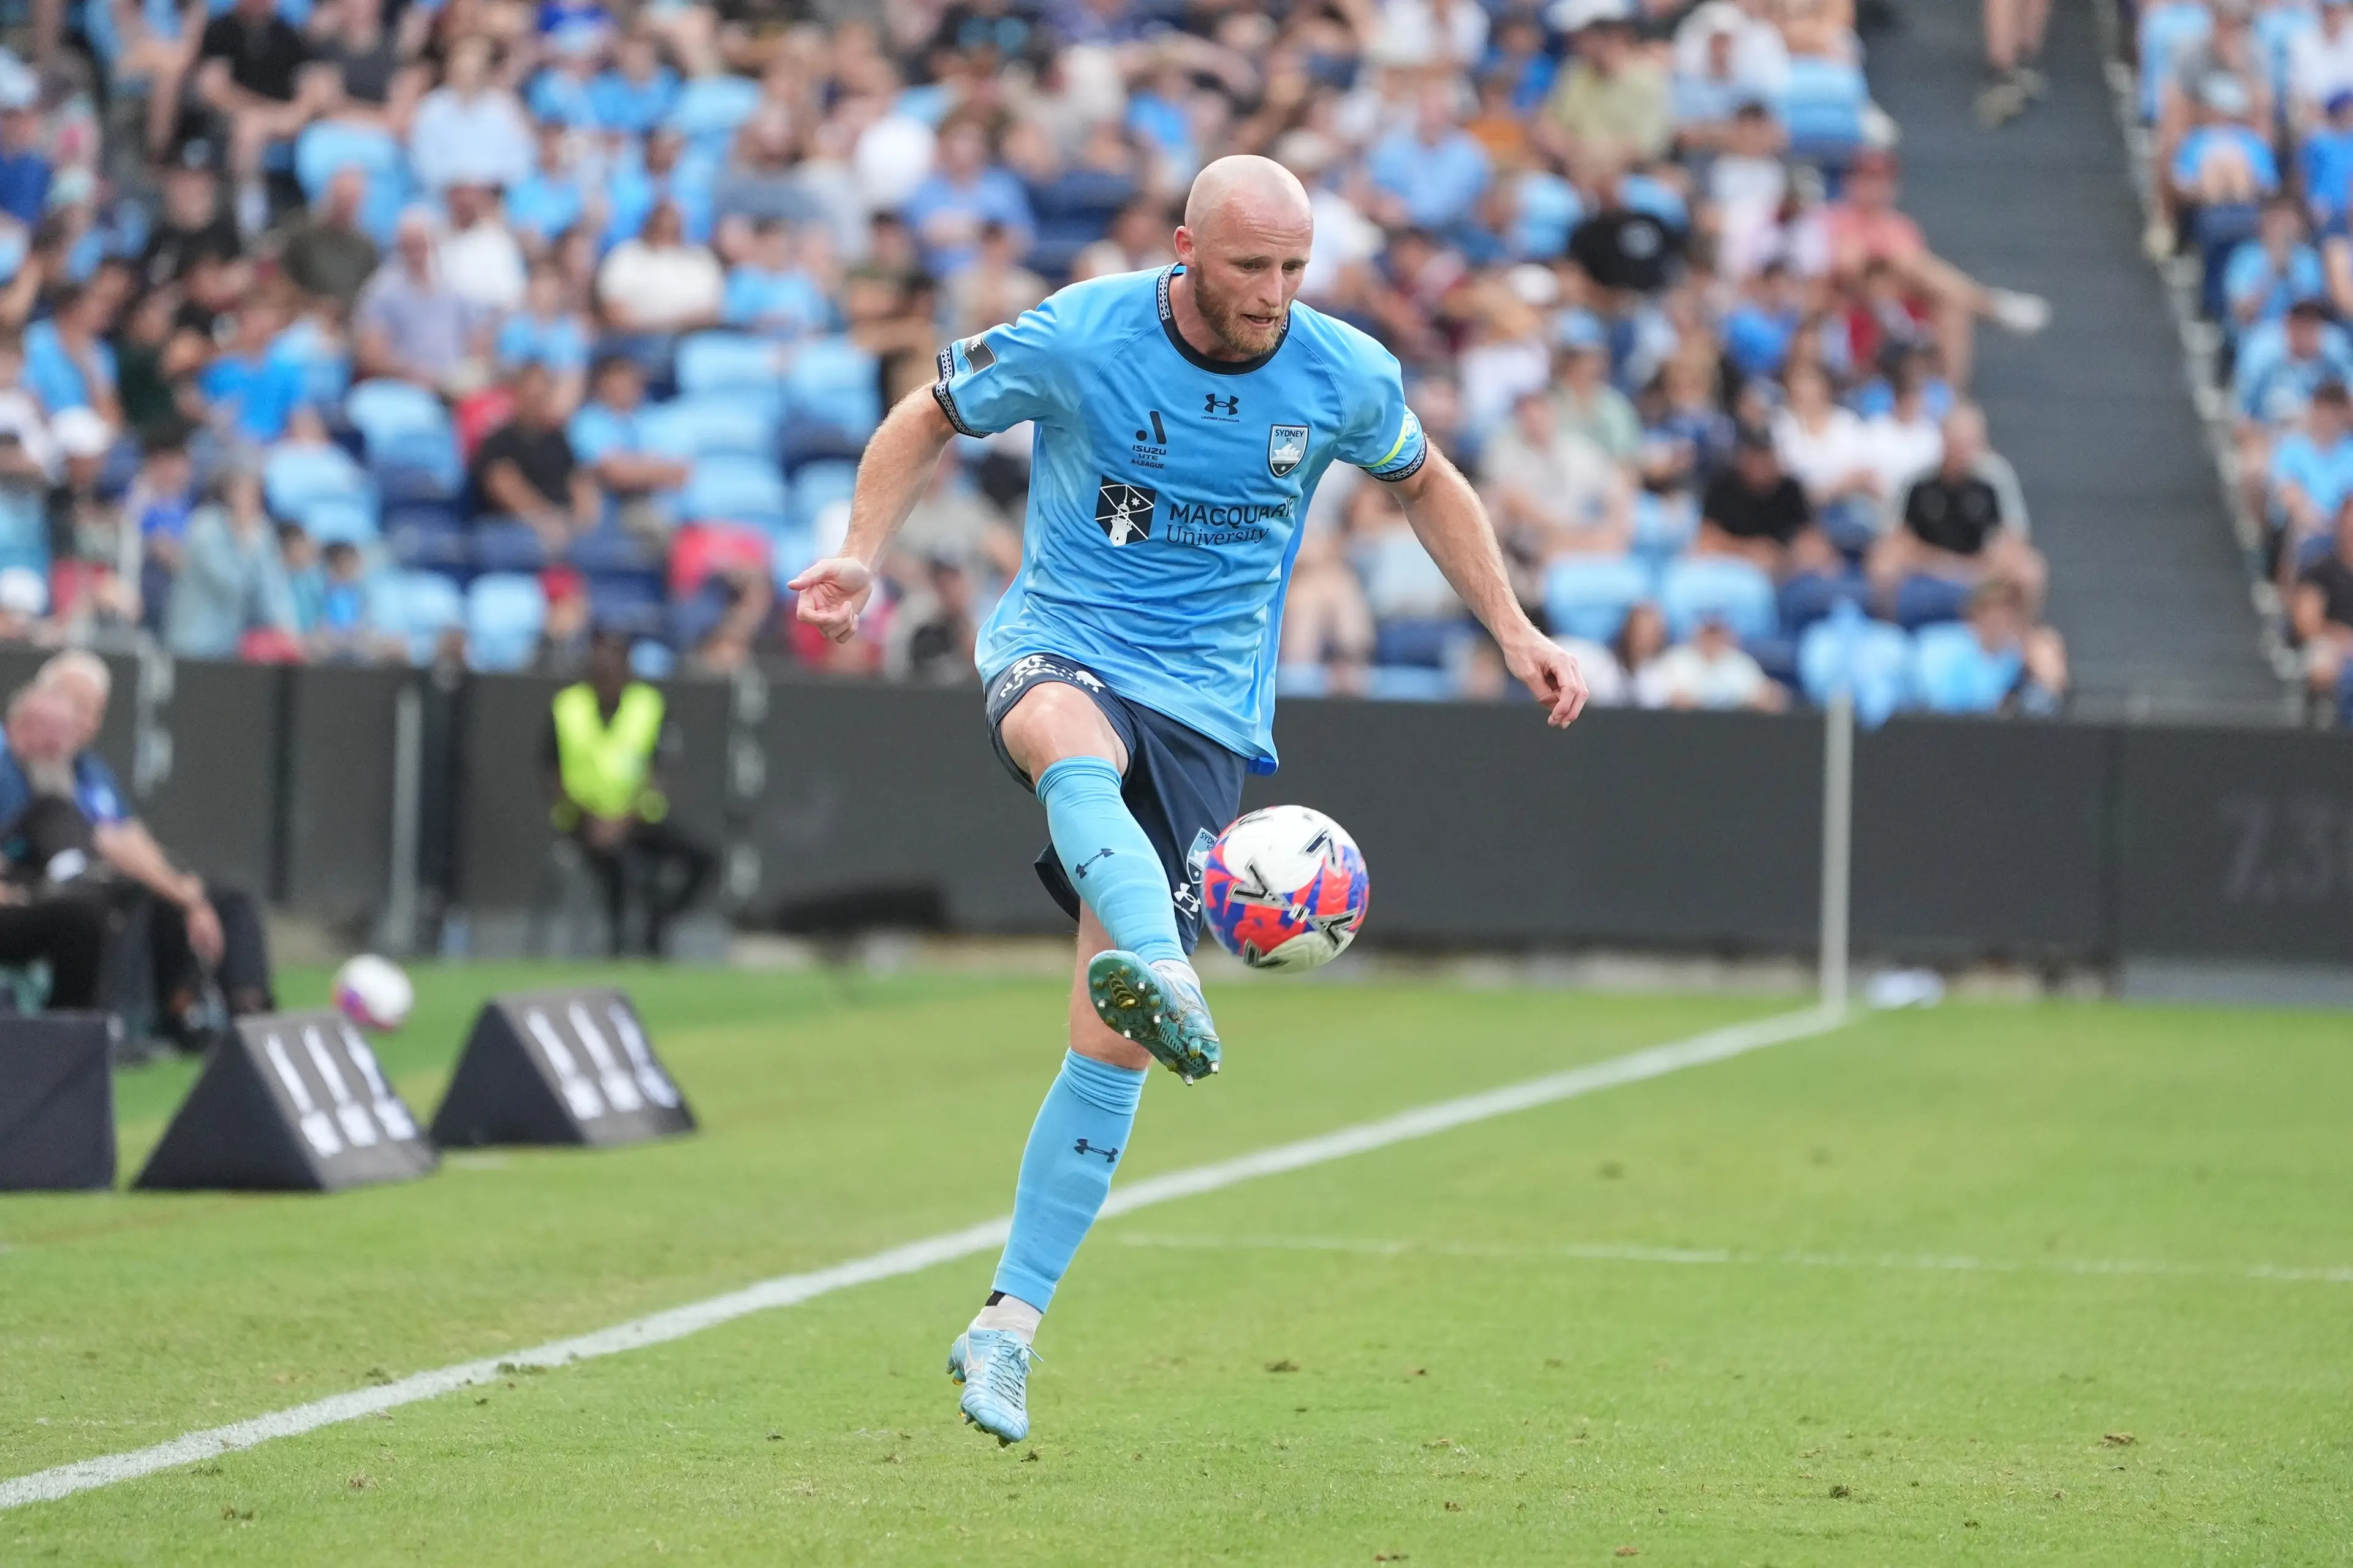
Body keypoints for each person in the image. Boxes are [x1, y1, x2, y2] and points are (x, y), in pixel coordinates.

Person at [787, 154, 1586, 1445]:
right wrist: (859, 552)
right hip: (1063, 640)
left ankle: (1006, 1326)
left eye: (1295, 267)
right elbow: (926, 414)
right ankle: (1169, 961)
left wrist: (1512, 625)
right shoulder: (1083, 334)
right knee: (1066, 742)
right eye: (1250, 265)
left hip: (1207, 714)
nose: (1274, 291)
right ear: (1185, 249)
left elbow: (1427, 480)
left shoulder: (1340, 371)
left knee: (1104, 1053)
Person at [27, 651, 277, 1030]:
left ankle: (250, 1017)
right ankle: (149, 1020)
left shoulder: (91, 770)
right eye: (77, 705)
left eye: (95, 711)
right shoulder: (28, 762)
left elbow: (133, 835)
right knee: (136, 896)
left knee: (232, 898)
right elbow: (108, 845)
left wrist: (184, 885)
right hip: (66, 889)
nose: (86, 721)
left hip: (127, 881)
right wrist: (184, 896)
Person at [542, 629, 714, 956]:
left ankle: (659, 923)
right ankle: (619, 946)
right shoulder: (568, 706)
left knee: (701, 859)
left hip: (638, 820)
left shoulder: (648, 705)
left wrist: (624, 820)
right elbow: (552, 772)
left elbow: (659, 772)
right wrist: (591, 819)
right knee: (618, 864)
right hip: (582, 822)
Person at [0, 686, 115, 1011]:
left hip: (41, 894)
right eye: (43, 729)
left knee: (90, 904)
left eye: (64, 732)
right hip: (14, 899)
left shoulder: (82, 773)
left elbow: (121, 832)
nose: (54, 743)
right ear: (14, 728)